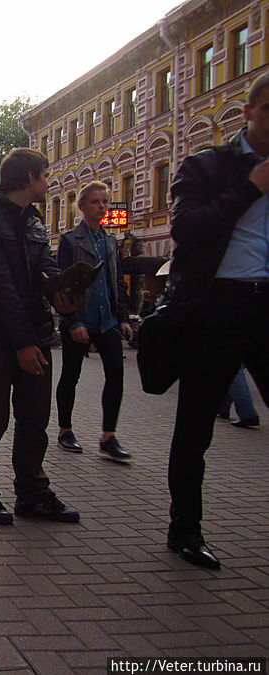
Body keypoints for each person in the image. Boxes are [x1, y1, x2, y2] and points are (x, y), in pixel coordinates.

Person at [163, 72, 269, 569]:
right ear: (249, 113)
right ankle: (185, 528)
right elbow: (185, 228)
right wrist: (249, 190)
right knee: (196, 425)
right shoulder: (207, 166)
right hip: (217, 305)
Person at [0, 148, 80, 526]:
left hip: (36, 333)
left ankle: (32, 493)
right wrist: (23, 343)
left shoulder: (34, 221)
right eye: (45, 175)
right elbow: (0, 288)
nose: (48, 181)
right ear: (29, 177)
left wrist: (61, 293)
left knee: (35, 419)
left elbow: (43, 268)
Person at [54, 181, 134, 462]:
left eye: (105, 201)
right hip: (80, 318)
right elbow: (63, 285)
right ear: (82, 206)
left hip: (106, 319)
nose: (102, 206)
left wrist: (123, 318)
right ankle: (65, 430)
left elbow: (116, 283)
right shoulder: (69, 240)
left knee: (116, 375)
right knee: (71, 375)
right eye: (95, 202)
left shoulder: (110, 241)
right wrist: (73, 321)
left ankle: (108, 436)